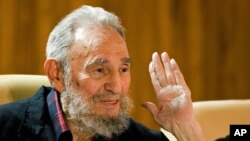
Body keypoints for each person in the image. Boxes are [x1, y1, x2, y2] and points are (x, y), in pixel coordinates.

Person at [0, 5, 205, 141]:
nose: (116, 87)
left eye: (123, 69)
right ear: (57, 74)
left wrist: (186, 128)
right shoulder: (5, 127)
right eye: (99, 70)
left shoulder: (131, 136)